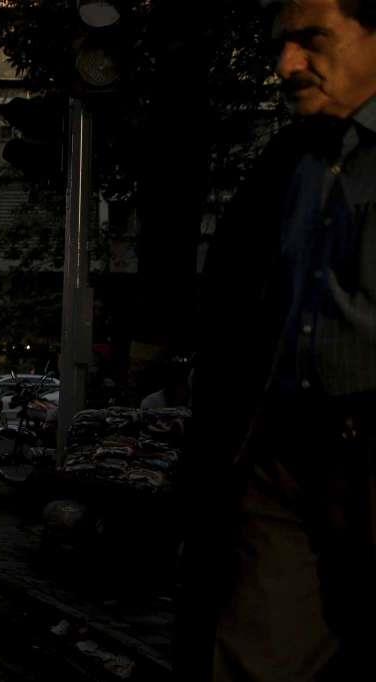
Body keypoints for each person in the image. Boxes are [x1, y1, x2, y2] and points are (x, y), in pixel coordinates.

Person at [179, 2, 376, 680]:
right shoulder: (291, 159)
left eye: (312, 40)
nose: (287, 65)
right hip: (281, 455)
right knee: (254, 652)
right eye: (280, 45)